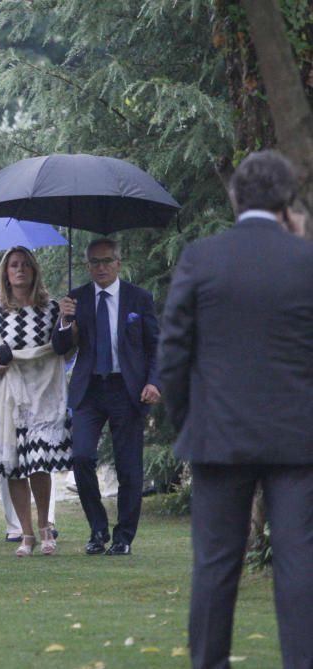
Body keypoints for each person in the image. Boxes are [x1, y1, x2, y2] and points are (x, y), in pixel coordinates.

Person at [159, 150, 313, 669]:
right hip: (298, 439)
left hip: (218, 434)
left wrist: (186, 423)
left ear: (233, 196)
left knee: (216, 565)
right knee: (299, 564)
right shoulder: (306, 260)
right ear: (288, 201)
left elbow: (174, 353)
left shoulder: (202, 258)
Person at [0, 247, 72, 556]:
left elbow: (63, 348)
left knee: (38, 464)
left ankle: (46, 526)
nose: (19, 270)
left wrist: (66, 320)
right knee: (12, 466)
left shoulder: (51, 310)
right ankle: (26, 533)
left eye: (25, 265)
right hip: (6, 397)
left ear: (34, 271)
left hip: (42, 395)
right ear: (5, 274)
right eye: (13, 266)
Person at [52, 238, 160, 556]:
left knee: (129, 468)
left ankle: (123, 536)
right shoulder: (76, 299)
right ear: (88, 266)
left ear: (118, 263)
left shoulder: (138, 299)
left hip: (127, 390)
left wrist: (154, 382)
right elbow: (60, 348)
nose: (101, 267)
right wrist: (64, 319)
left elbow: (155, 345)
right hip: (89, 390)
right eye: (94, 262)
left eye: (107, 261)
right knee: (81, 457)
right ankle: (97, 528)